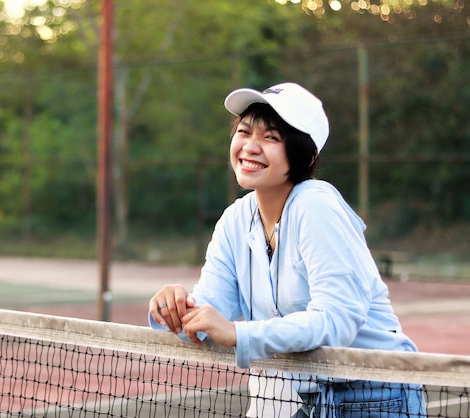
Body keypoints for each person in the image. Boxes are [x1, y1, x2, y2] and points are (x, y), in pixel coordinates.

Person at [148, 82, 426, 417]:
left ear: (304, 155)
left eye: (271, 138)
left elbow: (337, 319)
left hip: (376, 395)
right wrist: (175, 311)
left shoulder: (315, 204)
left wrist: (239, 333)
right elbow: (209, 318)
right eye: (244, 132)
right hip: (307, 399)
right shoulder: (235, 219)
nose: (251, 146)